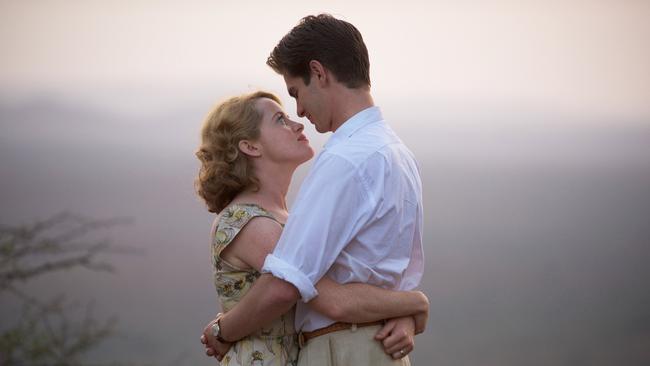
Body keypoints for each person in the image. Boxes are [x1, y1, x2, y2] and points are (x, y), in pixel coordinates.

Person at [201, 14, 425, 365]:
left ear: (319, 74)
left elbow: (287, 285)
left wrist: (222, 331)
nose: (300, 112)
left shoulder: (343, 159)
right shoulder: (398, 153)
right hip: (377, 344)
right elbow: (393, 272)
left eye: (296, 93)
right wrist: (409, 306)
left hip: (343, 348)